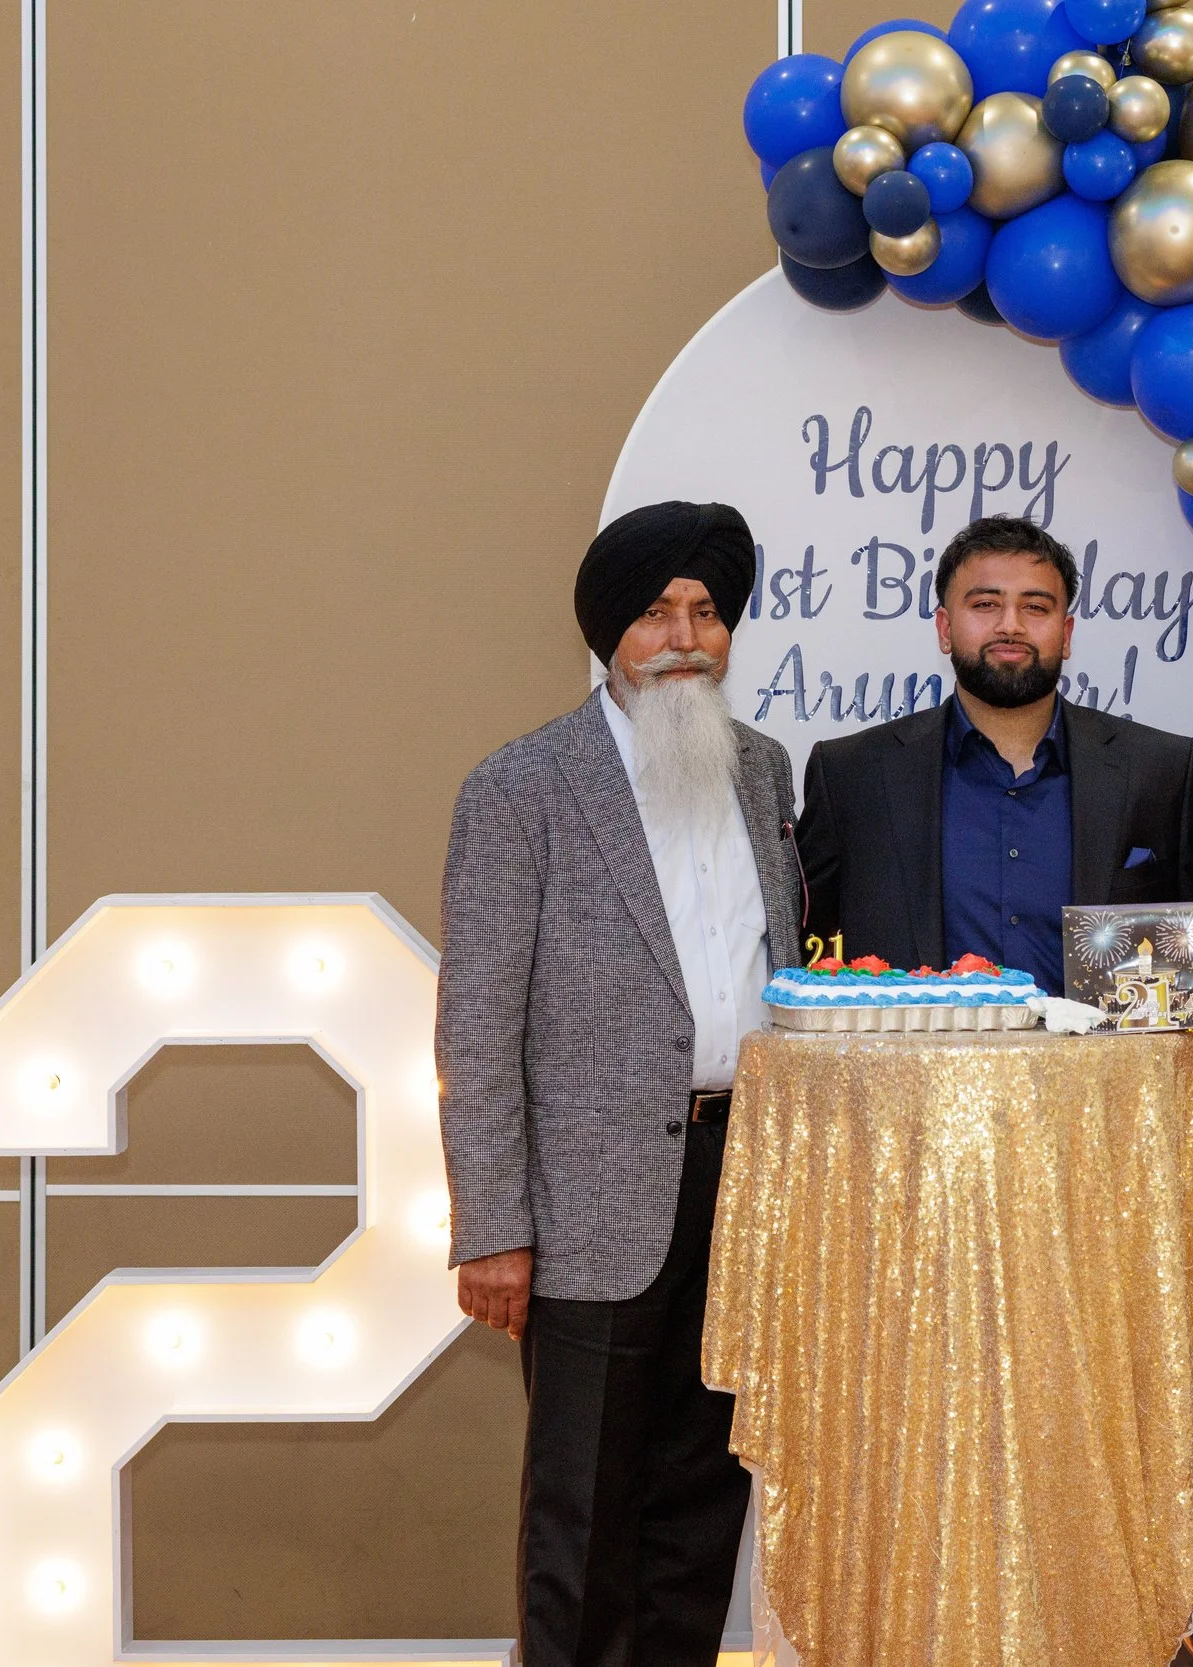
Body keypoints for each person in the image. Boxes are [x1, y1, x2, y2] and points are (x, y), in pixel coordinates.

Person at [436, 501, 802, 1667]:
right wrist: (494, 1226)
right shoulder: (523, 785)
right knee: (583, 1514)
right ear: (610, 635)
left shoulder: (762, 770)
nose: (684, 636)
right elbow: (477, 1024)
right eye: (655, 613)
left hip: (742, 1181)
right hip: (590, 1202)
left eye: (706, 611)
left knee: (701, 1502)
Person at [795, 514, 1193, 991]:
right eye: (986, 604)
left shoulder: (1161, 770)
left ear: (1067, 632)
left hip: (1103, 1064)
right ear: (945, 629)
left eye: (1035, 607)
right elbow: (809, 948)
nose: (1010, 625)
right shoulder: (853, 775)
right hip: (913, 1064)